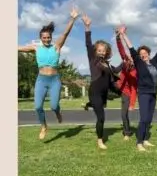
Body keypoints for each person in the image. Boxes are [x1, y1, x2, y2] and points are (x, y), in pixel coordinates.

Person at [18, 8, 79, 140]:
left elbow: (65, 33)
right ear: (40, 38)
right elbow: (18, 47)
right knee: (38, 106)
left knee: (53, 106)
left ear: (51, 38)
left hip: (54, 80)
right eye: (44, 38)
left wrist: (73, 19)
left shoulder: (56, 46)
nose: (46, 39)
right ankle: (44, 126)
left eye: (48, 37)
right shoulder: (36, 48)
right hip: (41, 80)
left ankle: (57, 112)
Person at [118, 26, 157, 151]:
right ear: (139, 56)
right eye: (141, 54)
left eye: (145, 53)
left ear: (149, 54)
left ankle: (145, 139)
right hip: (144, 93)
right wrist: (123, 35)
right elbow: (131, 48)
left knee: (149, 119)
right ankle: (139, 143)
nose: (143, 55)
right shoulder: (139, 63)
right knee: (144, 118)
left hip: (153, 94)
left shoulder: (154, 62)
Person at [82, 15, 125, 150]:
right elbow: (88, 44)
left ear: (106, 52)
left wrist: (125, 62)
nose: (101, 52)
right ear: (96, 51)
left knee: (117, 95)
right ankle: (100, 140)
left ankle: (89, 104)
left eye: (103, 50)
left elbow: (116, 70)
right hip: (95, 92)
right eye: (99, 50)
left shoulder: (107, 64)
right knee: (101, 118)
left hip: (104, 93)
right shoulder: (93, 60)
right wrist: (87, 27)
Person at [115, 29, 139, 140]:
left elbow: (134, 90)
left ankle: (127, 133)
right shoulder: (125, 61)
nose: (129, 61)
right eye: (129, 59)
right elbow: (121, 49)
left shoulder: (135, 73)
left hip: (126, 93)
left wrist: (132, 104)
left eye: (132, 60)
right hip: (117, 86)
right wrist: (118, 37)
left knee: (123, 114)